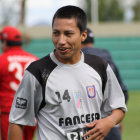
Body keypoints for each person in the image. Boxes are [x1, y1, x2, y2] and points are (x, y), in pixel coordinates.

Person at [8, 5, 127, 140]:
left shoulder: (100, 66)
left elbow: (119, 107)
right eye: (56, 33)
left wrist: (109, 122)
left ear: (83, 36)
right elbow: (17, 121)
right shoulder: (38, 72)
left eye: (68, 34)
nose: (61, 41)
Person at [81, 28, 129, 140]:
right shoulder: (108, 59)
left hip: (87, 125)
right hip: (111, 123)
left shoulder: (77, 60)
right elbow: (123, 92)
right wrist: (116, 118)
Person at [0, 26, 38, 140]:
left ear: (5, 42)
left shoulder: (2, 60)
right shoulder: (34, 59)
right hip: (31, 113)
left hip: (10, 113)